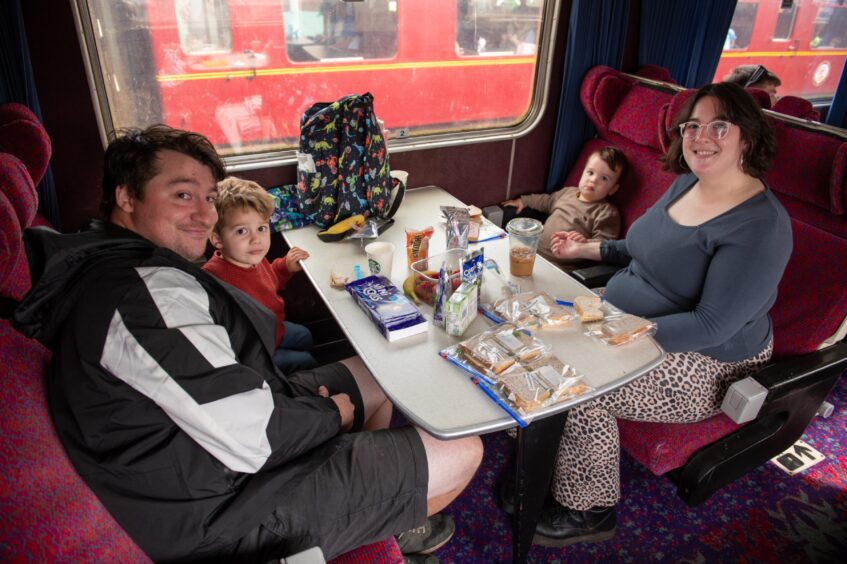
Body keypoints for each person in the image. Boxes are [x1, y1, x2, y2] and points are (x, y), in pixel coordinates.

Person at [12, 125, 483, 562]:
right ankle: (388, 517)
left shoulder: (116, 263)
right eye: (181, 195)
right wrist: (329, 415)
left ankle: (374, 490)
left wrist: (306, 412)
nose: (203, 214)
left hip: (216, 451)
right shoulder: (137, 297)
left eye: (208, 198)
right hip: (224, 511)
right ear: (126, 197)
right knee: (464, 452)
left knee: (379, 370)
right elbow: (254, 438)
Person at [533, 82, 792, 546]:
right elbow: (639, 247)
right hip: (627, 321)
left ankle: (589, 508)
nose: (700, 136)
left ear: (747, 137)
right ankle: (546, 462)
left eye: (719, 125)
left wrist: (613, 336)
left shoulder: (760, 226)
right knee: (535, 332)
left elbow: (712, 324)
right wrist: (585, 248)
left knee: (582, 384)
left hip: (709, 363)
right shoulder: (687, 182)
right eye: (692, 125)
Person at [203, 176, 317, 373]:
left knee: (305, 336)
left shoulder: (251, 258)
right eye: (241, 231)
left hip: (274, 328)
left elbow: (267, 280)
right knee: (306, 360)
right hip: (255, 349)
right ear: (217, 239)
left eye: (261, 228)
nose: (256, 239)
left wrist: (285, 267)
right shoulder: (214, 279)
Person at [501, 146, 626, 268]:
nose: (593, 180)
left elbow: (604, 246)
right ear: (582, 173)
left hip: (562, 265)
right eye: (590, 172)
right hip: (533, 250)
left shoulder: (607, 212)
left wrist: (584, 243)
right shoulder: (568, 192)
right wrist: (524, 201)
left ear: (613, 189)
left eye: (604, 178)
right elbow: (547, 201)